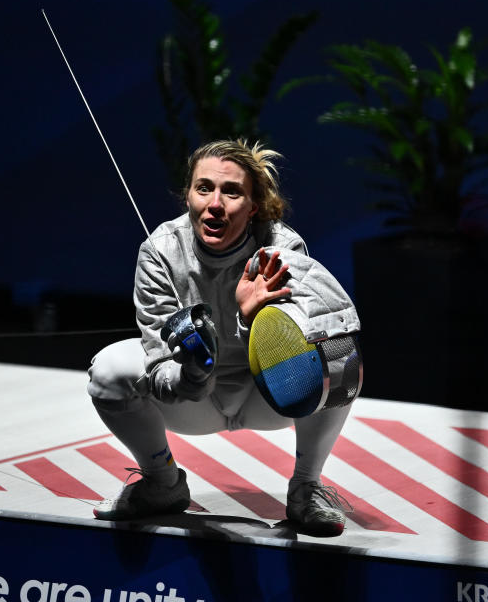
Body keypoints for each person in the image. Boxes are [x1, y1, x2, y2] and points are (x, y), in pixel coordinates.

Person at [87, 139, 355, 536]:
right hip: (193, 400)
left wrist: (250, 320)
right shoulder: (160, 252)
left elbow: (306, 345)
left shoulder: (281, 249)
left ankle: (305, 488)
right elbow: (161, 369)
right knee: (108, 370)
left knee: (340, 360)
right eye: (204, 188)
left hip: (263, 393)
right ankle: (162, 483)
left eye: (231, 192)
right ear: (189, 197)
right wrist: (195, 369)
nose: (215, 203)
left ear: (254, 206)